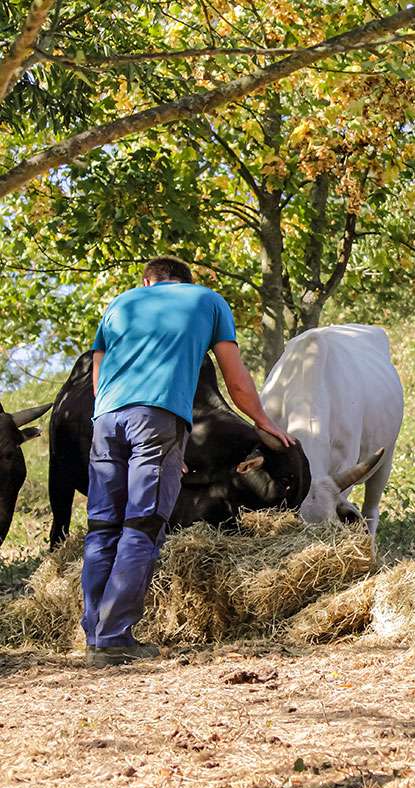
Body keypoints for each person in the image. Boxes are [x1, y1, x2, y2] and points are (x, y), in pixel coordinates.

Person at [83, 256, 295, 666]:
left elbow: (99, 377)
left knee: (102, 525)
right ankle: (112, 639)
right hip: (157, 418)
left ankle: (94, 634)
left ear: (148, 281)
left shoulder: (120, 304)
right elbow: (235, 380)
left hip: (106, 420)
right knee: (143, 524)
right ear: (185, 281)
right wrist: (263, 421)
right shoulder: (209, 301)